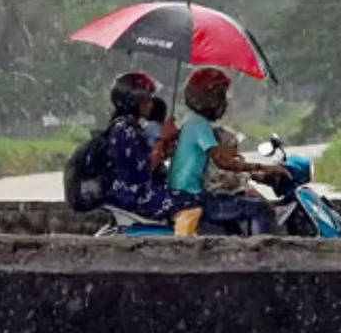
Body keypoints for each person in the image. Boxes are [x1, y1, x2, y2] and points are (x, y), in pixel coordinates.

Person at [168, 68, 287, 235]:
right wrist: (266, 168)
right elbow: (223, 162)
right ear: (210, 98)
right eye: (221, 96)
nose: (225, 102)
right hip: (192, 199)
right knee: (261, 209)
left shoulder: (192, 122)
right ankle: (261, 253)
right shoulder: (199, 125)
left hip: (186, 195)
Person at [103, 72, 182, 220]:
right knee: (187, 203)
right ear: (133, 102)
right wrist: (163, 139)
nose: (151, 104)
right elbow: (146, 168)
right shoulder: (126, 129)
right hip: (134, 197)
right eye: (146, 100)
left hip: (135, 192)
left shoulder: (128, 126)